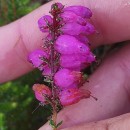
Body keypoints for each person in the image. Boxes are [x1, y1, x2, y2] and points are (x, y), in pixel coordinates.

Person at [0, 0, 130, 129]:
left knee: (79, 50)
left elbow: (82, 29)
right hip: (61, 74)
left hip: (64, 70)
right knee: (78, 52)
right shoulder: (57, 55)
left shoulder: (64, 46)